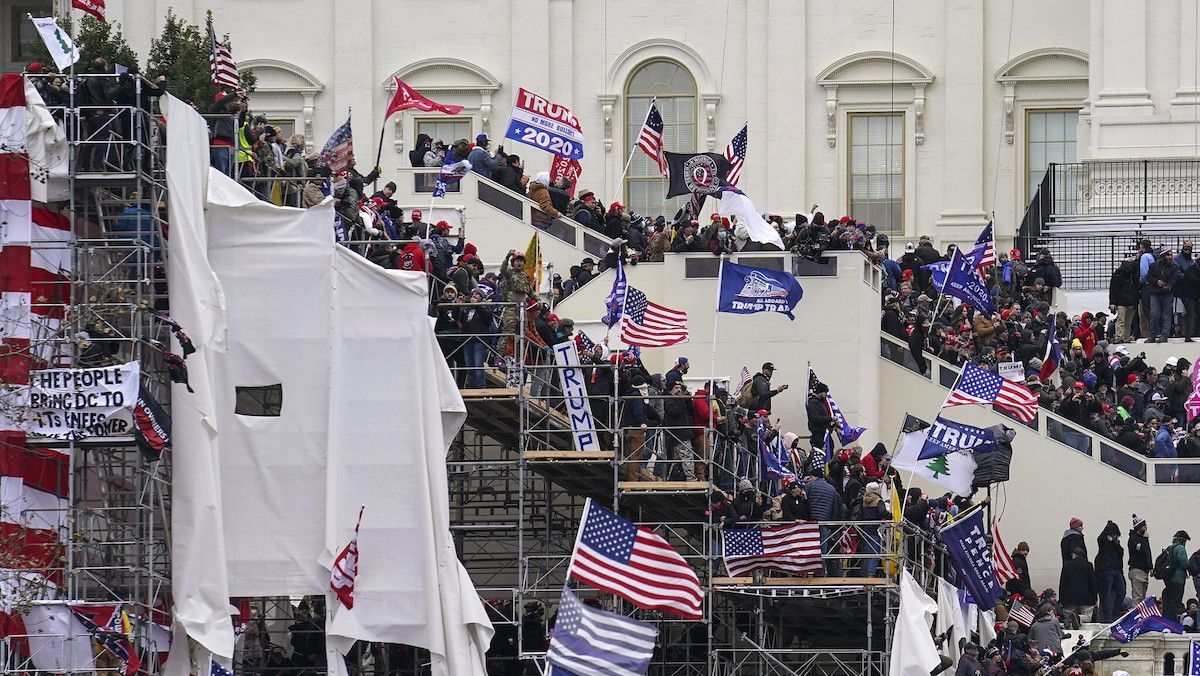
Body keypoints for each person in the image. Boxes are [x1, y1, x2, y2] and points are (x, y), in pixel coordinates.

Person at [803, 467, 842, 576]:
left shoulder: (810, 485)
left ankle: (806, 571)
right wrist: (831, 523)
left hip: (810, 522)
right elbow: (834, 509)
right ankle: (820, 572)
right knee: (822, 548)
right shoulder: (832, 489)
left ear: (813, 476)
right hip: (824, 522)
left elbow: (803, 498)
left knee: (809, 547)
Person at [856, 481, 890, 577]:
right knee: (875, 552)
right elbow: (882, 513)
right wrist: (891, 516)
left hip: (865, 528)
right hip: (876, 528)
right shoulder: (878, 500)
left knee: (869, 553)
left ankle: (866, 574)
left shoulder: (864, 500)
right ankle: (871, 574)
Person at [1094, 520, 1126, 623]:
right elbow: (1100, 539)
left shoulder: (1116, 544)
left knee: (1121, 591)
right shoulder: (1104, 540)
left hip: (1116, 569)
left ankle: (1114, 613)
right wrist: (1108, 528)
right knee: (1106, 594)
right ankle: (1108, 617)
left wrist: (1116, 544)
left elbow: (1121, 553)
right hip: (1106, 569)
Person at [1147, 246, 1180, 342]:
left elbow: (1174, 279)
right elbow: (1149, 277)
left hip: (1167, 294)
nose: (1171, 257)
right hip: (1155, 293)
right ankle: (1152, 335)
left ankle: (1164, 335)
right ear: (1163, 256)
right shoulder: (1153, 266)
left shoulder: (1174, 267)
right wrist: (1157, 281)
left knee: (1166, 315)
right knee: (1154, 314)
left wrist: (1168, 285)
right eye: (1168, 255)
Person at [1060, 547, 1098, 625]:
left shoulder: (1067, 565)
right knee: (1087, 617)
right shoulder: (1088, 565)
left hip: (1069, 598)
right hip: (1086, 598)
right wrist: (1095, 598)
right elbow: (1093, 583)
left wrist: (1061, 599)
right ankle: (1078, 618)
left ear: (1075, 555)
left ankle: (1071, 619)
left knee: (1069, 619)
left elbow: (1063, 583)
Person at [1163, 530, 1190, 621]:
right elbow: (1184, 563)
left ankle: (1167, 620)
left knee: (1170, 601)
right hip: (1178, 579)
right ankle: (1173, 621)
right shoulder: (1180, 548)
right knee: (1176, 601)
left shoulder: (1170, 548)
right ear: (1183, 540)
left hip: (1170, 578)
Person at [806, 382, 835, 448]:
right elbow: (814, 418)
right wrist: (830, 418)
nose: (826, 394)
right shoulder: (813, 403)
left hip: (825, 432)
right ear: (820, 392)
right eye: (825, 392)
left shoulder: (822, 403)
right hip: (818, 434)